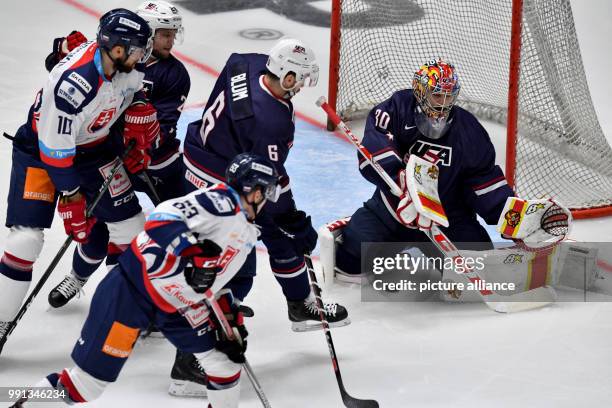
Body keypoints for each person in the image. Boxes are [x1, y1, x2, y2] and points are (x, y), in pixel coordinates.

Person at [12, 153, 281, 408]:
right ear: (255, 192)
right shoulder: (221, 203)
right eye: (266, 193)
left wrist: (228, 314)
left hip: (178, 305)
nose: (267, 200)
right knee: (85, 387)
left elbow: (214, 279)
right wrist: (191, 251)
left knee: (224, 364)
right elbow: (162, 219)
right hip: (133, 293)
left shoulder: (245, 231)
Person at [0, 9, 159, 336]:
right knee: (25, 240)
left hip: (94, 151)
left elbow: (132, 90)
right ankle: (1, 320)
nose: (143, 57)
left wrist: (140, 108)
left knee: (132, 227)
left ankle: (123, 312)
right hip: (40, 153)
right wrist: (72, 200)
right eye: (138, 50)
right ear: (117, 50)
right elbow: (55, 152)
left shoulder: (125, 63)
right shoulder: (75, 85)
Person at [182, 38, 350, 333]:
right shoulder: (270, 121)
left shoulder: (248, 62)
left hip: (197, 154)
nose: (299, 88)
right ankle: (231, 313)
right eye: (298, 81)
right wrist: (291, 218)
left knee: (265, 231)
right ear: (287, 76)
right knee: (266, 236)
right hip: (220, 177)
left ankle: (291, 302)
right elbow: (269, 178)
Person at [44, 0, 191, 309]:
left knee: (177, 227)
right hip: (111, 155)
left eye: (172, 34)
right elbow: (72, 83)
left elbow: (161, 125)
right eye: (165, 34)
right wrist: (61, 54)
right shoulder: (118, 54)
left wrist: (143, 146)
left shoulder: (174, 74)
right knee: (101, 224)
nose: (171, 41)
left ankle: (179, 292)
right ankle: (80, 277)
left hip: (156, 164)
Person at [330, 58, 518, 281]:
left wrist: (514, 220)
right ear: (420, 91)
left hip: (447, 219)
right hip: (394, 209)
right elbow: (376, 148)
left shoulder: (469, 131)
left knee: (481, 268)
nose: (443, 104)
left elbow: (485, 184)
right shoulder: (397, 108)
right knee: (349, 261)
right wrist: (403, 184)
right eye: (437, 95)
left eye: (449, 96)